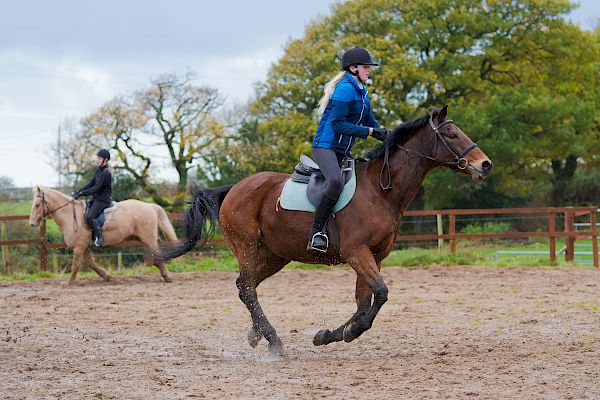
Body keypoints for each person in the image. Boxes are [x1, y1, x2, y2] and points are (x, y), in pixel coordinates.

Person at [308, 46, 389, 253]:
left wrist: (388, 135)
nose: (369, 70)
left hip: (342, 150)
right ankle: (317, 232)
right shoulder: (344, 90)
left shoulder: (362, 93)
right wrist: (370, 132)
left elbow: (371, 121)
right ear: (353, 68)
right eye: (366, 67)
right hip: (325, 147)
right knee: (335, 181)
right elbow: (337, 125)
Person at [71, 149, 113, 247]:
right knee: (84, 213)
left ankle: (100, 238)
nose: (97, 160)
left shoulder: (106, 173)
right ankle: (91, 237)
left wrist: (82, 193)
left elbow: (96, 188)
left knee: (90, 217)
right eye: (97, 158)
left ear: (105, 160)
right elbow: (90, 184)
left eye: (99, 158)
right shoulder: (99, 171)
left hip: (103, 200)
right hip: (96, 199)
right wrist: (78, 191)